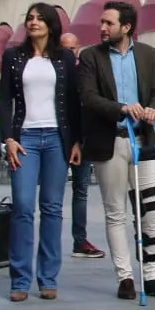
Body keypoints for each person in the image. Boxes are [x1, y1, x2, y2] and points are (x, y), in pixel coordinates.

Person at [78, 0, 155, 300]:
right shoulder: (91, 56)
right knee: (115, 211)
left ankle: (152, 275)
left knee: (150, 210)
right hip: (111, 140)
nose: (102, 28)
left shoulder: (145, 53)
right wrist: (121, 108)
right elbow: (88, 97)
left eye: (109, 23)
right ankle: (125, 277)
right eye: (102, 22)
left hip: (143, 140)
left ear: (126, 27)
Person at [0, 3, 82, 302]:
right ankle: (19, 279)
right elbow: (4, 101)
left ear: (51, 24)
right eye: (30, 18)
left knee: (52, 208)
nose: (33, 22)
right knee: (22, 206)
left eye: (39, 18)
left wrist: (76, 141)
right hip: (25, 139)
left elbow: (74, 103)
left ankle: (48, 277)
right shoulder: (12, 57)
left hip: (57, 139)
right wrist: (8, 138)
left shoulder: (64, 59)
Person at [60, 31, 104, 260]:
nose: (71, 53)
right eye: (66, 49)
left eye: (74, 49)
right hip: (57, 138)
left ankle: (79, 240)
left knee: (81, 190)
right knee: (54, 194)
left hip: (81, 138)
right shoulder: (53, 72)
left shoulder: (83, 73)